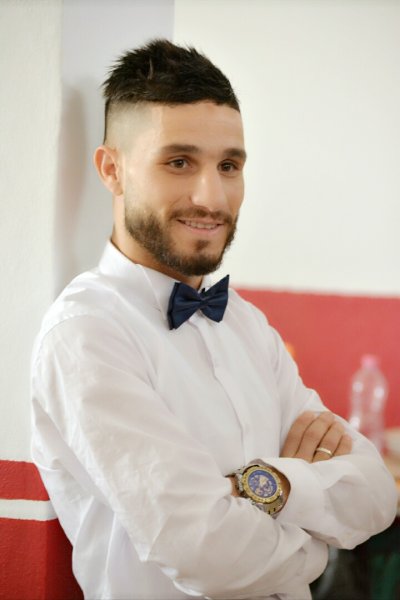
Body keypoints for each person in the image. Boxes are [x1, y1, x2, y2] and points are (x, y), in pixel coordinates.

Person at [31, 39, 397, 600]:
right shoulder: (85, 334)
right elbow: (206, 553)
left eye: (229, 166)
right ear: (112, 169)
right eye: (179, 162)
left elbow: (374, 494)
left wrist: (262, 484)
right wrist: (312, 548)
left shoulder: (248, 325)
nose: (212, 197)